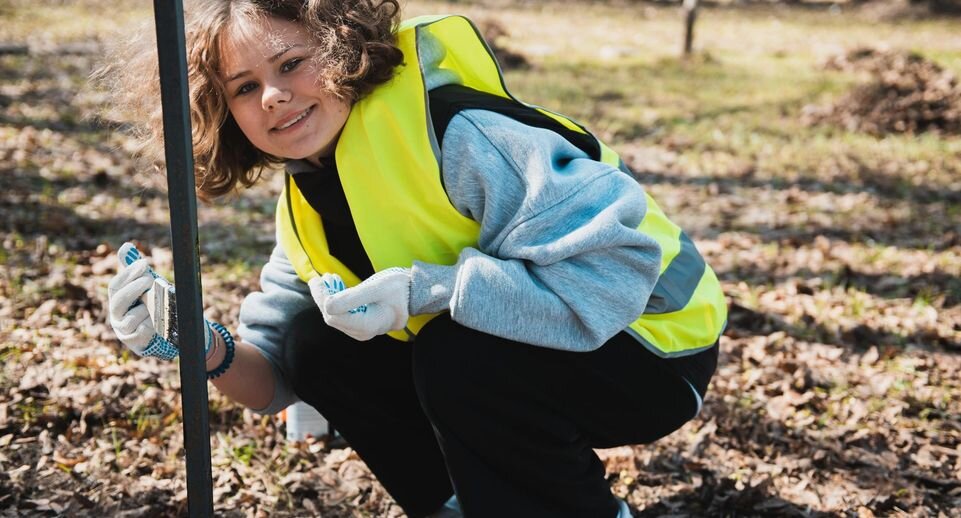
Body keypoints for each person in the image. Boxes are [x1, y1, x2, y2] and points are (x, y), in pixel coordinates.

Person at [102, 0, 727, 516]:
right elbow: (281, 376)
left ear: (341, 47)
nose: (272, 96)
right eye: (244, 88)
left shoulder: (460, 136)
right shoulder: (306, 204)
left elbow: (612, 276)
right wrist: (196, 344)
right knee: (314, 341)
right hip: (529, 363)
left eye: (291, 63)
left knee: (457, 354)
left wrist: (430, 289)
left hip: (653, 348)